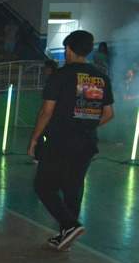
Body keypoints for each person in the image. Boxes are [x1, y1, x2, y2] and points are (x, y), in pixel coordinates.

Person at [29, 30, 114, 251]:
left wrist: (34, 140)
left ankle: (70, 225)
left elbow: (46, 112)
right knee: (73, 189)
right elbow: (108, 114)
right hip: (86, 143)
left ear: (68, 49)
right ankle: (66, 236)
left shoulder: (60, 75)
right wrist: (85, 126)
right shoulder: (101, 78)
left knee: (43, 186)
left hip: (60, 141)